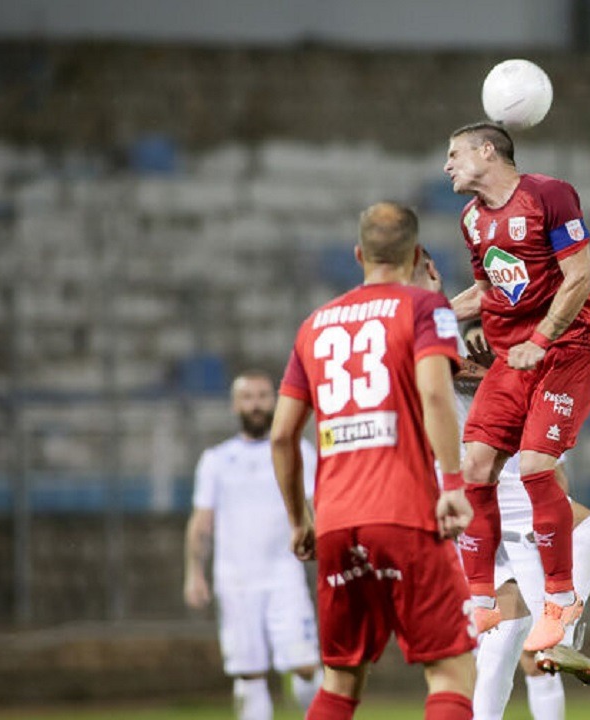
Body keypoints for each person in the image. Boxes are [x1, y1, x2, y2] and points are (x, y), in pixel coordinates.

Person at [270, 202, 476, 720]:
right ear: (416, 254)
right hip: (406, 514)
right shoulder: (426, 308)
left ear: (359, 254)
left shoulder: (314, 325)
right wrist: (452, 486)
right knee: (451, 671)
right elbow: (435, 394)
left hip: (336, 524)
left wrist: (300, 521)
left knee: (340, 680)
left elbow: (281, 436)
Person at [411, 252, 590, 720]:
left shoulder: (486, 364)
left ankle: (552, 637)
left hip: (475, 501)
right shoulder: (433, 341)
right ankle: (564, 632)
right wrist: (495, 368)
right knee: (589, 530)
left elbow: (551, 468)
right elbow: (437, 368)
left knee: (505, 635)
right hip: (482, 494)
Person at [443, 121, 590, 652]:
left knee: (537, 466)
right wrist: (430, 317)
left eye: (455, 154)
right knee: (474, 465)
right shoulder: (472, 220)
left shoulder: (549, 195)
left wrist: (541, 338)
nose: (447, 165)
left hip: (569, 349)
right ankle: (480, 600)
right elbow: (486, 292)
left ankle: (560, 599)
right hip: (514, 359)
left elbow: (580, 275)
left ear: (486, 151)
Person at [184, 370, 323, 720]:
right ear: (235, 405)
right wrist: (194, 573)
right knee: (249, 674)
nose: (256, 404)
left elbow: (318, 505)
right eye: (248, 397)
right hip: (235, 581)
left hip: (285, 575)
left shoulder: (297, 450)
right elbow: (201, 521)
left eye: (262, 396)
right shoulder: (216, 460)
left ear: (275, 400)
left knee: (305, 664)